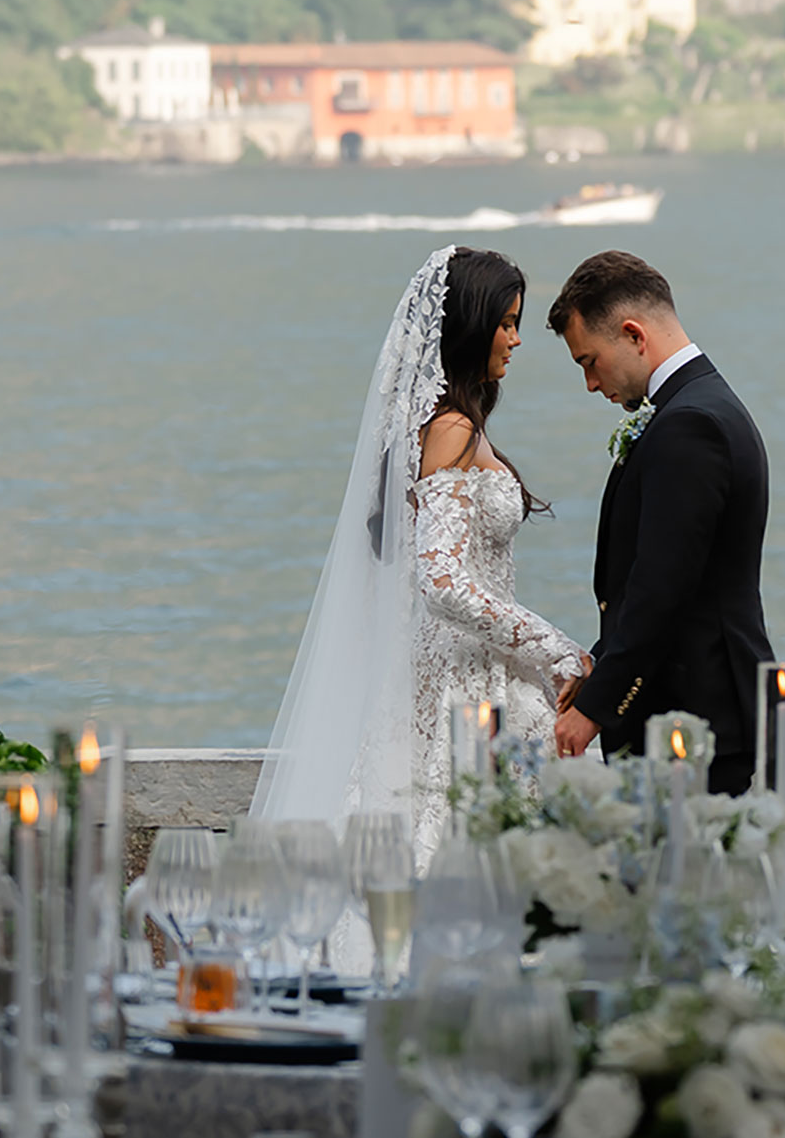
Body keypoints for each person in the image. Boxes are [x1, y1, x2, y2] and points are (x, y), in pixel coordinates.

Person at [252, 245, 587, 871]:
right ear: (468, 326)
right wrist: (557, 647)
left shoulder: (451, 426)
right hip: (462, 680)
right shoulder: (452, 428)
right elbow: (442, 583)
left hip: (464, 666)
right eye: (506, 323)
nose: (515, 339)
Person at [548, 250, 774, 795]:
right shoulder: (699, 406)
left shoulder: (689, 425)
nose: (590, 383)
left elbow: (662, 589)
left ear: (633, 334)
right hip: (697, 715)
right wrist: (598, 667)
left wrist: (598, 707)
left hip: (696, 724)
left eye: (588, 361)